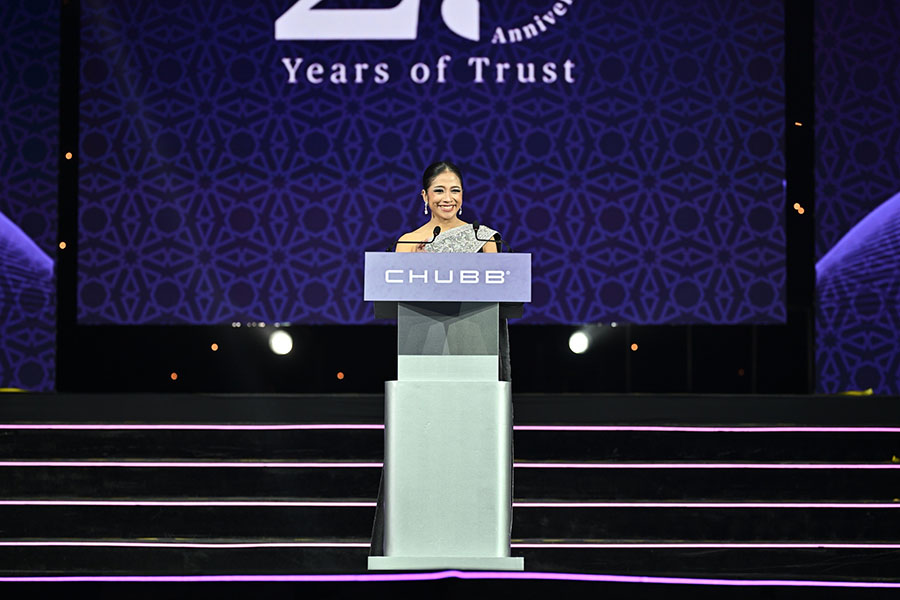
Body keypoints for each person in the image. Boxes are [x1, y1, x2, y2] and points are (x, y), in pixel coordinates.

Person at [395, 160, 500, 253]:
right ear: (425, 196)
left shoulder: (483, 238)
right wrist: (419, 262)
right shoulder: (408, 242)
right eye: (439, 191)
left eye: (455, 190)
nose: (448, 199)